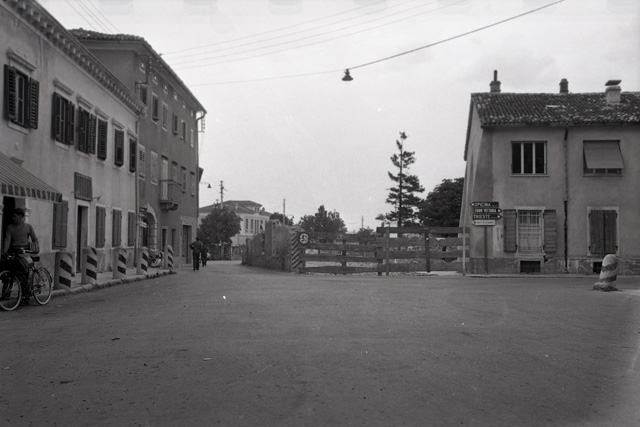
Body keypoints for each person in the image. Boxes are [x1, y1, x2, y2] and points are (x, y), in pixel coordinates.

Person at [2, 208, 39, 295]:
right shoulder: (10, 227)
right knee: (9, 269)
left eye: (14, 216)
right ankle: (6, 292)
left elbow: (34, 239)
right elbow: (7, 241)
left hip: (25, 252)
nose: (13, 218)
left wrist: (37, 248)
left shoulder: (28, 227)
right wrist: (4, 252)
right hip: (14, 251)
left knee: (24, 270)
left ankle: (25, 293)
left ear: (21, 217)